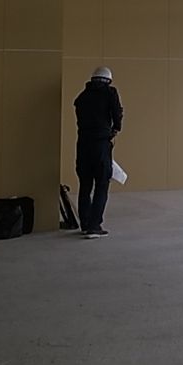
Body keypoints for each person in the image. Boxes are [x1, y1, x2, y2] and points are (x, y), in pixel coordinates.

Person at [74, 66, 124, 238]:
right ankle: (94, 226)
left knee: (85, 185)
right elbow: (117, 113)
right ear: (108, 80)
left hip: (83, 144)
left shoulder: (82, 97)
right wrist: (116, 128)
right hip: (101, 144)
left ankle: (85, 224)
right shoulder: (110, 93)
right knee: (102, 184)